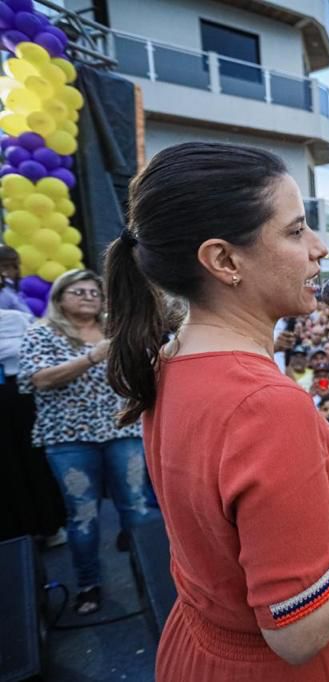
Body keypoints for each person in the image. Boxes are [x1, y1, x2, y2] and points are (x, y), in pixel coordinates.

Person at [104, 143, 329, 678]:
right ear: (224, 260)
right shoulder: (266, 405)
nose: (319, 248)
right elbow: (297, 632)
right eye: (295, 232)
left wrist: (323, 467)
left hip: (200, 648)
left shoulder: (170, 358)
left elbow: (223, 512)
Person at [18, 269, 161, 615]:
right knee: (83, 516)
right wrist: (92, 357)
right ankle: (89, 585)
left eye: (94, 292)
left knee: (137, 509)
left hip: (122, 433)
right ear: (59, 298)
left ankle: (152, 582)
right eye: (78, 291)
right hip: (69, 439)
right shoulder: (41, 333)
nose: (88, 297)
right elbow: (38, 379)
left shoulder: (116, 331)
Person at [0, 252, 65, 544]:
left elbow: (35, 346)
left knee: (29, 461)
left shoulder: (15, 317)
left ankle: (46, 526)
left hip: (16, 398)